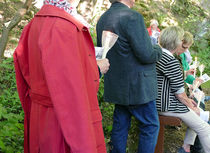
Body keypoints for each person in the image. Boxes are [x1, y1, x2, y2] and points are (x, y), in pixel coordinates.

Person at [13, 0, 109, 153]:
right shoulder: (62, 28)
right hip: (60, 124)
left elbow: (25, 77)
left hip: (40, 119)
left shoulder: (35, 24)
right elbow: (71, 95)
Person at [96, 0, 162, 152]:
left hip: (116, 84)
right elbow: (146, 54)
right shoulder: (133, 17)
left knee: (121, 124)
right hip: (137, 86)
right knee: (150, 125)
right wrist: (158, 49)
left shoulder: (103, 18)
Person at [156, 26, 210, 153]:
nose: (181, 43)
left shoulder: (158, 55)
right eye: (180, 40)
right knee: (204, 127)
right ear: (175, 42)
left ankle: (186, 147)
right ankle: (190, 146)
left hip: (157, 102)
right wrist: (190, 104)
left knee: (199, 113)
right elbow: (180, 94)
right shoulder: (171, 61)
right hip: (166, 106)